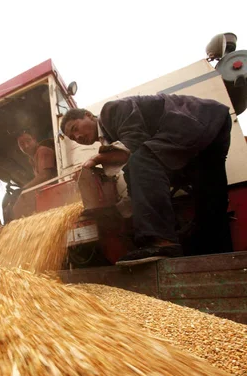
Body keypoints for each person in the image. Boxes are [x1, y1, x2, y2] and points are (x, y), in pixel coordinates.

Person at [60, 94, 233, 266]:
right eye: (73, 138)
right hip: (214, 122)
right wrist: (124, 207)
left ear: (89, 116)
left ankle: (161, 241)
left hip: (194, 121)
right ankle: (224, 257)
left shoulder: (110, 111)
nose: (78, 137)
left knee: (141, 160)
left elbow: (134, 144)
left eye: (75, 128)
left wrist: (94, 160)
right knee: (209, 193)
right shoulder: (111, 136)